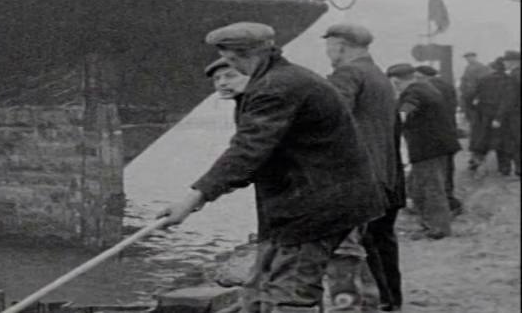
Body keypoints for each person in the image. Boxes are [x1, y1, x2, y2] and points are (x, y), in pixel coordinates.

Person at [160, 22, 385, 313]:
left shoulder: (275, 87)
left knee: (290, 294)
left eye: (228, 60)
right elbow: (257, 156)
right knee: (260, 286)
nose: (227, 68)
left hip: (315, 209)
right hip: (304, 205)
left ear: (240, 55)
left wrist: (193, 199)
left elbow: (247, 152)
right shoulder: (281, 80)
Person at [322, 24, 403, 312]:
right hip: (379, 176)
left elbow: (327, 118)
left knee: (344, 252)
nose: (328, 53)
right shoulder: (379, 76)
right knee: (364, 248)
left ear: (341, 46)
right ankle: (378, 304)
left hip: (351, 179)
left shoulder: (348, 74)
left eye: (329, 46)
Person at [387, 63, 459, 240]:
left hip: (428, 148)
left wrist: (397, 118)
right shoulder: (427, 87)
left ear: (395, 81)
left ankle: (438, 229)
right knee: (424, 187)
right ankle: (432, 225)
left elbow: (407, 108)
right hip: (438, 146)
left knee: (431, 188)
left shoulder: (413, 92)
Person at [413, 65, 462, 215]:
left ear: (422, 76)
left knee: (435, 174)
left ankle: (445, 205)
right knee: (447, 169)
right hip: (449, 131)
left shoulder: (425, 89)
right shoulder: (447, 86)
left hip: (433, 135)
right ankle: (449, 199)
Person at [468, 60, 514, 175]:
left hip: (483, 113)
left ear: (493, 68)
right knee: (502, 142)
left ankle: (476, 160)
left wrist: (474, 106)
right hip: (502, 115)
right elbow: (507, 100)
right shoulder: (509, 80)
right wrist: (499, 116)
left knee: (481, 139)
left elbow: (470, 94)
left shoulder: (484, 80)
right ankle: (504, 168)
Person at [496, 50, 520, 176]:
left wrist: (499, 117)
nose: (504, 63)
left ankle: (517, 169)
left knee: (514, 141)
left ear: (513, 61)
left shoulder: (513, 76)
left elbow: (509, 99)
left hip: (515, 115)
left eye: (506, 61)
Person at [459, 52, 492, 127]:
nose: (467, 59)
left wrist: (478, 95)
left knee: (475, 114)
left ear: (474, 57)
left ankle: (476, 129)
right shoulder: (468, 67)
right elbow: (464, 80)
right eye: (466, 58)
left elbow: (482, 82)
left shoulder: (480, 67)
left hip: (474, 94)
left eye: (469, 57)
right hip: (468, 94)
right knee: (468, 112)